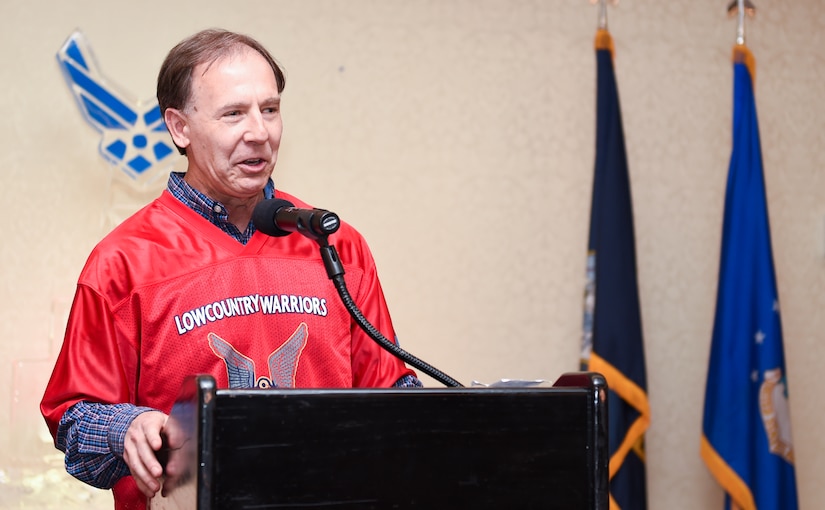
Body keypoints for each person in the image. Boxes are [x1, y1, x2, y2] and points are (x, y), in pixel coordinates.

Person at [40, 28, 421, 510]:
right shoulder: (122, 261)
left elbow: (390, 392)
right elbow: (72, 421)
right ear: (179, 128)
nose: (259, 132)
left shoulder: (334, 244)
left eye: (270, 109)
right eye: (234, 113)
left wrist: (441, 417)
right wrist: (126, 428)